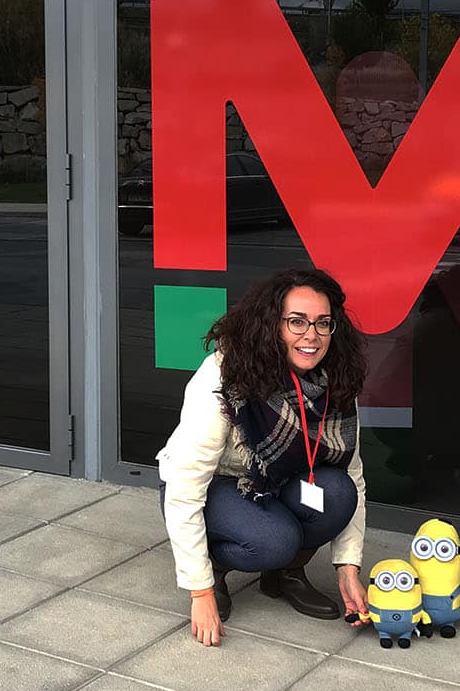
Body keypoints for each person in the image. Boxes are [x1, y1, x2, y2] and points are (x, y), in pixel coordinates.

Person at [158, 268, 370, 646]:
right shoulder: (226, 377)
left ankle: (285, 574)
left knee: (337, 492)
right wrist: (200, 590)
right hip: (215, 486)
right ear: (271, 325)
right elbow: (186, 483)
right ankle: (219, 568)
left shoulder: (334, 378)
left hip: (280, 482)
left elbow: (352, 474)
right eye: (296, 322)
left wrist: (348, 567)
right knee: (274, 539)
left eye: (323, 323)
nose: (312, 335)